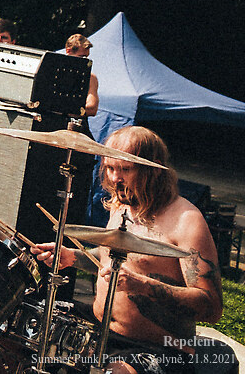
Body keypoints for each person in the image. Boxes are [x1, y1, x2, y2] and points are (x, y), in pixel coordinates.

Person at [33, 127, 224, 374]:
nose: (114, 178)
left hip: (159, 347)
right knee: (28, 323)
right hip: (100, 328)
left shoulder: (187, 220)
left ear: (154, 169)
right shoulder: (121, 203)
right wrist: (74, 257)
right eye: (110, 168)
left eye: (125, 169)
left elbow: (211, 308)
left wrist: (141, 285)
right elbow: (114, 258)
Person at [65, 32, 101, 117]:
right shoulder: (52, 70)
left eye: (86, 57)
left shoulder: (90, 78)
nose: (85, 61)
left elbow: (92, 108)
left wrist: (65, 110)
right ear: (68, 51)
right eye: (81, 57)